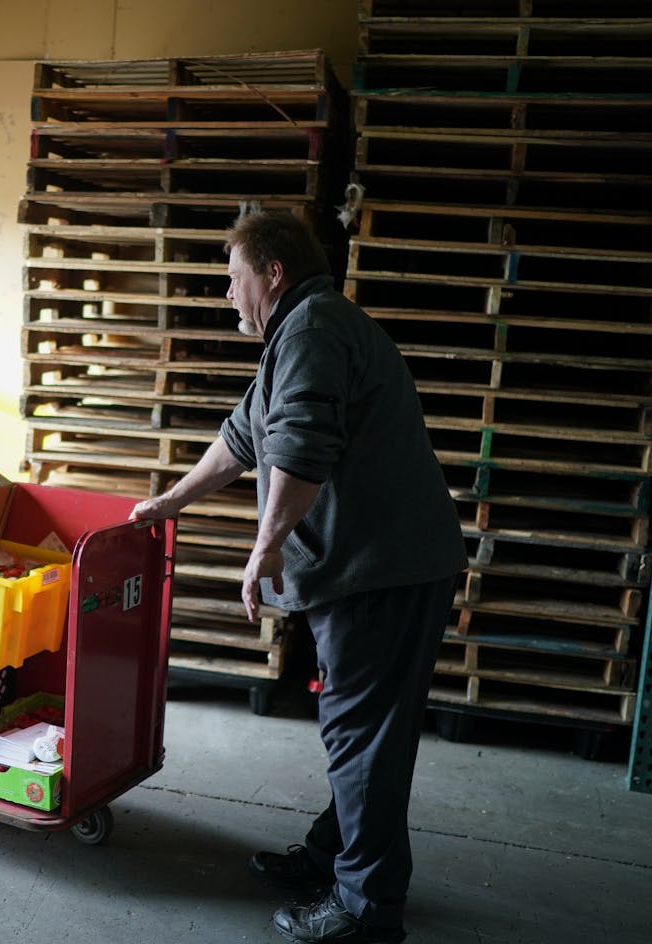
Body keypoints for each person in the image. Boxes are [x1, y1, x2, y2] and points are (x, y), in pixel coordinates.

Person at [130, 209, 466, 943]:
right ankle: (333, 857)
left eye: (233, 277)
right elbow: (244, 436)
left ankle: (365, 909)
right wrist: (169, 501)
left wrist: (266, 546)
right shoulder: (304, 330)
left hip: (379, 571)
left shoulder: (312, 330)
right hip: (389, 566)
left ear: (272, 273)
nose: (227, 294)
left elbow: (302, 443)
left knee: (361, 733)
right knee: (367, 731)